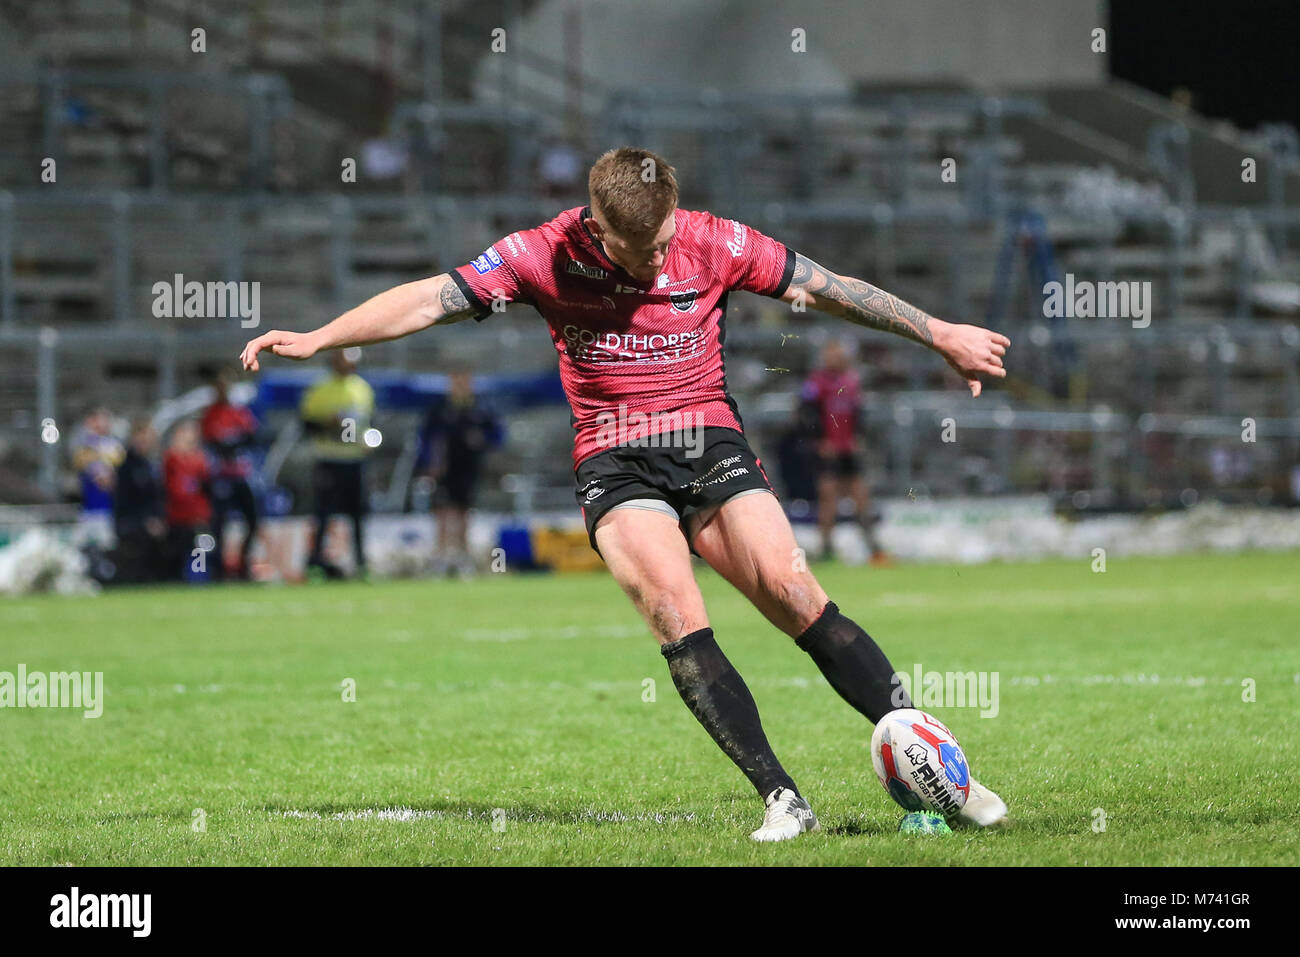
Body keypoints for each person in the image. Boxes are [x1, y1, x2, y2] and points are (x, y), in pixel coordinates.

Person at [241, 146, 1011, 842]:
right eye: (637, 250)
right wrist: (320, 339)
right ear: (597, 227)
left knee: (792, 589)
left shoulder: (714, 239)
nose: (656, 260)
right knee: (676, 614)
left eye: (664, 241)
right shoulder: (541, 253)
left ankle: (944, 772)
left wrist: (937, 330)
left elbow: (829, 288)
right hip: (614, 457)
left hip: (706, 437)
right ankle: (783, 797)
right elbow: (429, 299)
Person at [802, 339, 891, 564]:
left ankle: (873, 546)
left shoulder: (852, 381)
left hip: (847, 448)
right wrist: (820, 440)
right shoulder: (816, 383)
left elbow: (859, 413)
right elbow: (806, 414)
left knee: (861, 494)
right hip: (828, 449)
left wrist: (858, 436)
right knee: (828, 495)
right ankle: (826, 546)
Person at [299, 348, 375, 579]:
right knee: (323, 514)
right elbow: (307, 426)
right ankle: (315, 563)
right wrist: (329, 423)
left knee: (359, 514)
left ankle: (361, 563)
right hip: (330, 458)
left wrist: (368, 440)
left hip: (354, 459)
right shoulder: (320, 389)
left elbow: (368, 423)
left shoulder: (363, 389)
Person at [418, 370, 503, 577]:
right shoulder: (440, 409)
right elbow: (426, 438)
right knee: (442, 512)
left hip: (469, 468)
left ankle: (463, 557)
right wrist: (429, 464)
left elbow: (498, 435)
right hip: (444, 469)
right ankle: (441, 557)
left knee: (464, 512)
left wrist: (481, 440)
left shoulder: (480, 408)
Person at [201, 370, 260, 581]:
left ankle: (243, 564)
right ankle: (219, 570)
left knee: (252, 521)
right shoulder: (210, 415)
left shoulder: (238, 412)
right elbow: (210, 442)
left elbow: (252, 436)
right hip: (222, 477)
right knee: (219, 525)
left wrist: (234, 442)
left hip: (241, 474)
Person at [112, 419, 166, 583]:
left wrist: (158, 518)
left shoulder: (151, 465)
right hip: (131, 521)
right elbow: (126, 500)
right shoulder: (126, 466)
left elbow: (156, 497)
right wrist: (146, 521)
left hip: (150, 520)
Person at [163, 419, 212, 581]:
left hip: (197, 512)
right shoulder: (172, 457)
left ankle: (199, 577)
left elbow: (205, 483)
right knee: (178, 548)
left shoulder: (199, 458)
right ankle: (177, 577)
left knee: (199, 547)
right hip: (177, 513)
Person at [68, 405, 124, 546]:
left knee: (107, 544)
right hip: (88, 507)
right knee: (82, 544)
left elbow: (118, 463)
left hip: (109, 509)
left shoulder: (113, 445)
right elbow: (79, 462)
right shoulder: (83, 444)